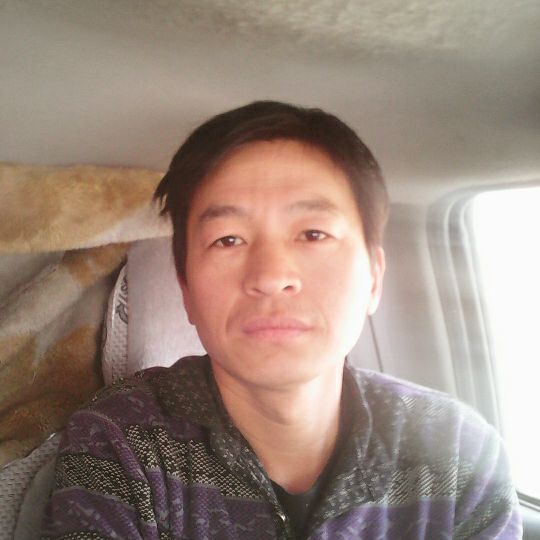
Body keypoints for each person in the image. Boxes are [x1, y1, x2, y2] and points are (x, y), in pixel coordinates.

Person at [41, 101, 522, 539]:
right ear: (186, 290)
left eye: (313, 234)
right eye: (228, 239)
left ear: (374, 277)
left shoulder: (457, 454)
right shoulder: (121, 443)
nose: (271, 277)